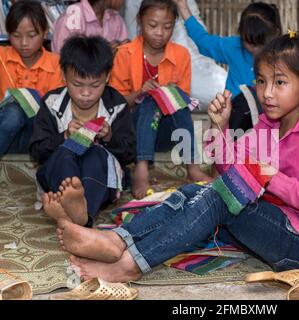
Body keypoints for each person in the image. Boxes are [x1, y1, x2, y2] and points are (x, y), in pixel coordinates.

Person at [48, 34, 299, 283]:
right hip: (275, 222)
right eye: (262, 81)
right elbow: (230, 169)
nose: (267, 93)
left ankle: (129, 266)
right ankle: (119, 240)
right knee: (196, 191)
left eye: (280, 83)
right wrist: (220, 126)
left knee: (219, 198)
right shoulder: (269, 124)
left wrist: (269, 175)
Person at [109, 0, 212, 200]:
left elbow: (183, 105)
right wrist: (139, 92)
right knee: (150, 98)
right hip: (132, 132)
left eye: (167, 27)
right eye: (153, 25)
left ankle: (192, 167)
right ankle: (141, 167)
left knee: (172, 98)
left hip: (165, 134)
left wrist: (168, 94)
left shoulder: (181, 55)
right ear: (139, 21)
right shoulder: (125, 53)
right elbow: (115, 105)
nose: (159, 33)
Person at [31, 35, 135, 228]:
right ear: (63, 75)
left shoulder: (117, 105)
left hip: (101, 180)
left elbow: (129, 154)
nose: (86, 93)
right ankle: (80, 215)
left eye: (95, 85)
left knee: (95, 153)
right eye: (77, 85)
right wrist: (63, 137)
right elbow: (37, 151)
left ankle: (76, 214)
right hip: (56, 175)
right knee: (66, 151)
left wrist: (109, 137)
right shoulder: (52, 103)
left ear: (107, 77)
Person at [174, 0, 282, 97]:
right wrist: (183, 6)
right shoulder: (234, 47)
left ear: (276, 34)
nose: (254, 49)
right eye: (248, 43)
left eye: (260, 44)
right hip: (235, 114)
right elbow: (203, 41)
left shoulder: (284, 55)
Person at [0, 0, 63, 157]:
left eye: (32, 35)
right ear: (8, 34)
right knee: (13, 114)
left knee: (17, 112)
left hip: (36, 137)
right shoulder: (2, 57)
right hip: (5, 132)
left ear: (45, 31)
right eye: (16, 36)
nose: (24, 43)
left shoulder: (57, 64)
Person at [51, 0, 128, 53]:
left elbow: (125, 51)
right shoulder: (72, 17)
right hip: (77, 75)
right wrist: (103, 54)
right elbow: (61, 58)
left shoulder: (115, 18)